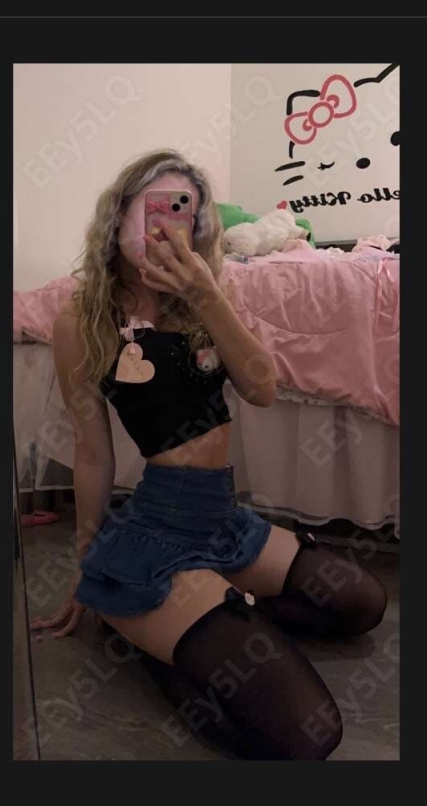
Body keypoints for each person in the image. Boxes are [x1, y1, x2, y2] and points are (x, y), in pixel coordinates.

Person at [30, 149, 387, 760]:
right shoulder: (81, 321)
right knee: (306, 732)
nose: (167, 227)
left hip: (222, 519)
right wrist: (85, 557)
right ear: (118, 218)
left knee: (361, 603)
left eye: (184, 214)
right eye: (153, 210)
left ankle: (205, 617)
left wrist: (204, 296)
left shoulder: (206, 297)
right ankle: (142, 620)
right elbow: (91, 451)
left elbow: (263, 390)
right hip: (157, 528)